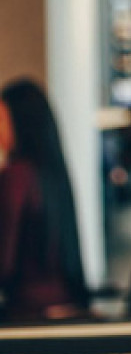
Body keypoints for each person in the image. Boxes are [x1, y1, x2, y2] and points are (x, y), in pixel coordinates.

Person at [0, 79, 91, 322]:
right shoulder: (50, 172)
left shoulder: (17, 176)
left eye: (2, 120)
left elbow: (4, 264)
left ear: (20, 122)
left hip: (29, 315)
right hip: (63, 302)